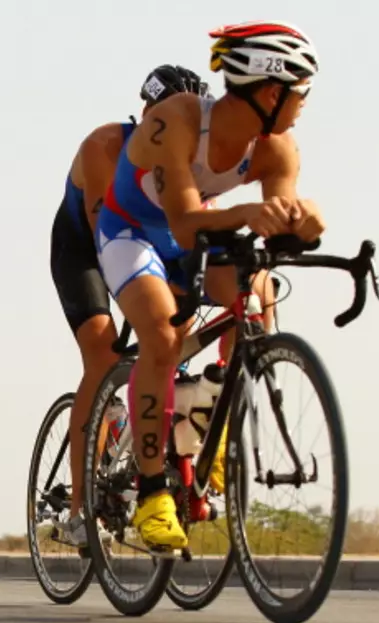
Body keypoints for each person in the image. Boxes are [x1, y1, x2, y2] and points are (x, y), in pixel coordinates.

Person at [94, 20, 325, 553]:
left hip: (199, 231)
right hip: (132, 230)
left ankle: (218, 417)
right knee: (161, 336)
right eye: (302, 92)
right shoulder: (176, 119)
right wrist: (250, 210)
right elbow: (181, 223)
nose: (304, 104)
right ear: (271, 91)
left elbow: (278, 221)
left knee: (259, 290)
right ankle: (152, 492)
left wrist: (305, 219)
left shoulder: (278, 150)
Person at [49, 64, 210, 548]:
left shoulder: (195, 161)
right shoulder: (106, 148)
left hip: (154, 249)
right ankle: (79, 509)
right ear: (147, 114)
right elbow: (108, 238)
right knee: (103, 356)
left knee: (173, 348)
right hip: (89, 249)